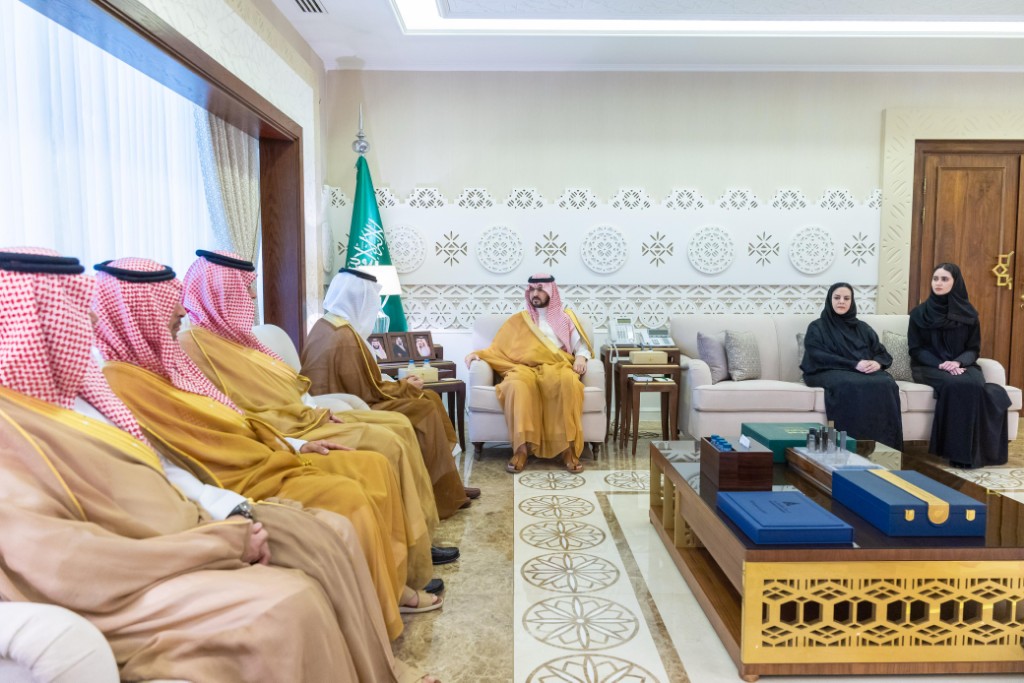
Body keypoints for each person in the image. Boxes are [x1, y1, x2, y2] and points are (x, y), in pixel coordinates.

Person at [0, 248, 439, 682]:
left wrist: (274, 459)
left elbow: (189, 448)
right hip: (181, 527)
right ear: (27, 329)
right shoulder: (85, 396)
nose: (92, 320)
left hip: (210, 501)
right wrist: (220, 527)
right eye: (75, 309)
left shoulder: (84, 395)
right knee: (310, 566)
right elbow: (193, 453)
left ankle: (382, 645)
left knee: (333, 526)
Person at [91, 257, 442, 630]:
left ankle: (401, 573)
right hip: (240, 474)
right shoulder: (139, 376)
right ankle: (385, 599)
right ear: (136, 312)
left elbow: (235, 415)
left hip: (271, 445)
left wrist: (293, 443)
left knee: (375, 462)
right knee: (358, 481)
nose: (181, 310)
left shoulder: (168, 363)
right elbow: (189, 453)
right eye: (168, 302)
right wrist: (285, 443)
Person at [178, 250, 451, 573]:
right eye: (245, 287)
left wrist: (312, 409)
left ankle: (419, 543)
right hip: (289, 431)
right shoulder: (196, 348)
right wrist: (305, 422)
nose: (252, 295)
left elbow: (288, 387)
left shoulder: (240, 342)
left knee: (399, 429)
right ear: (219, 292)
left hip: (308, 416)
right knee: (389, 441)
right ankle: (407, 559)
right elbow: (236, 412)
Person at [301, 268, 476, 519]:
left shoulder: (327, 323)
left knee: (429, 399)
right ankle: (440, 493)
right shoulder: (345, 337)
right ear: (359, 300)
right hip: (346, 406)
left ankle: (447, 485)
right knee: (425, 407)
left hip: (341, 399)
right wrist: (404, 386)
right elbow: (368, 391)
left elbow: (362, 383)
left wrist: (401, 385)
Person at [465, 274, 592, 474]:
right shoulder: (519, 320)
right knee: (517, 386)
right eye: (532, 289)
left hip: (556, 366)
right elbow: (497, 348)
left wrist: (581, 358)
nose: (535, 293)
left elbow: (580, 347)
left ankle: (567, 449)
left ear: (551, 291)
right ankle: (521, 449)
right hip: (522, 368)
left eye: (540, 289)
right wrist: (479, 355)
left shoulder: (565, 318)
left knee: (569, 383)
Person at [908, 263, 1012, 468]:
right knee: (955, 384)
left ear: (955, 283)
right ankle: (956, 453)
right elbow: (916, 349)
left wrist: (957, 362)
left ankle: (975, 452)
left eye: (944, 279)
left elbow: (973, 349)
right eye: (935, 278)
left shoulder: (969, 314)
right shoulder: (919, 313)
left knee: (975, 384)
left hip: (963, 365)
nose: (938, 283)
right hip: (928, 367)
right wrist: (942, 365)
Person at [800, 283, 904, 449]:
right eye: (837, 297)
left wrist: (876, 362)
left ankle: (885, 447)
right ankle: (849, 446)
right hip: (825, 370)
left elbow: (882, 353)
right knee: (849, 383)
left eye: (846, 298)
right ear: (829, 300)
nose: (841, 301)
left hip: (858, 370)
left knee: (886, 382)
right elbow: (818, 355)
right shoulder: (817, 327)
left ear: (852, 301)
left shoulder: (862, 328)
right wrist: (854, 364)